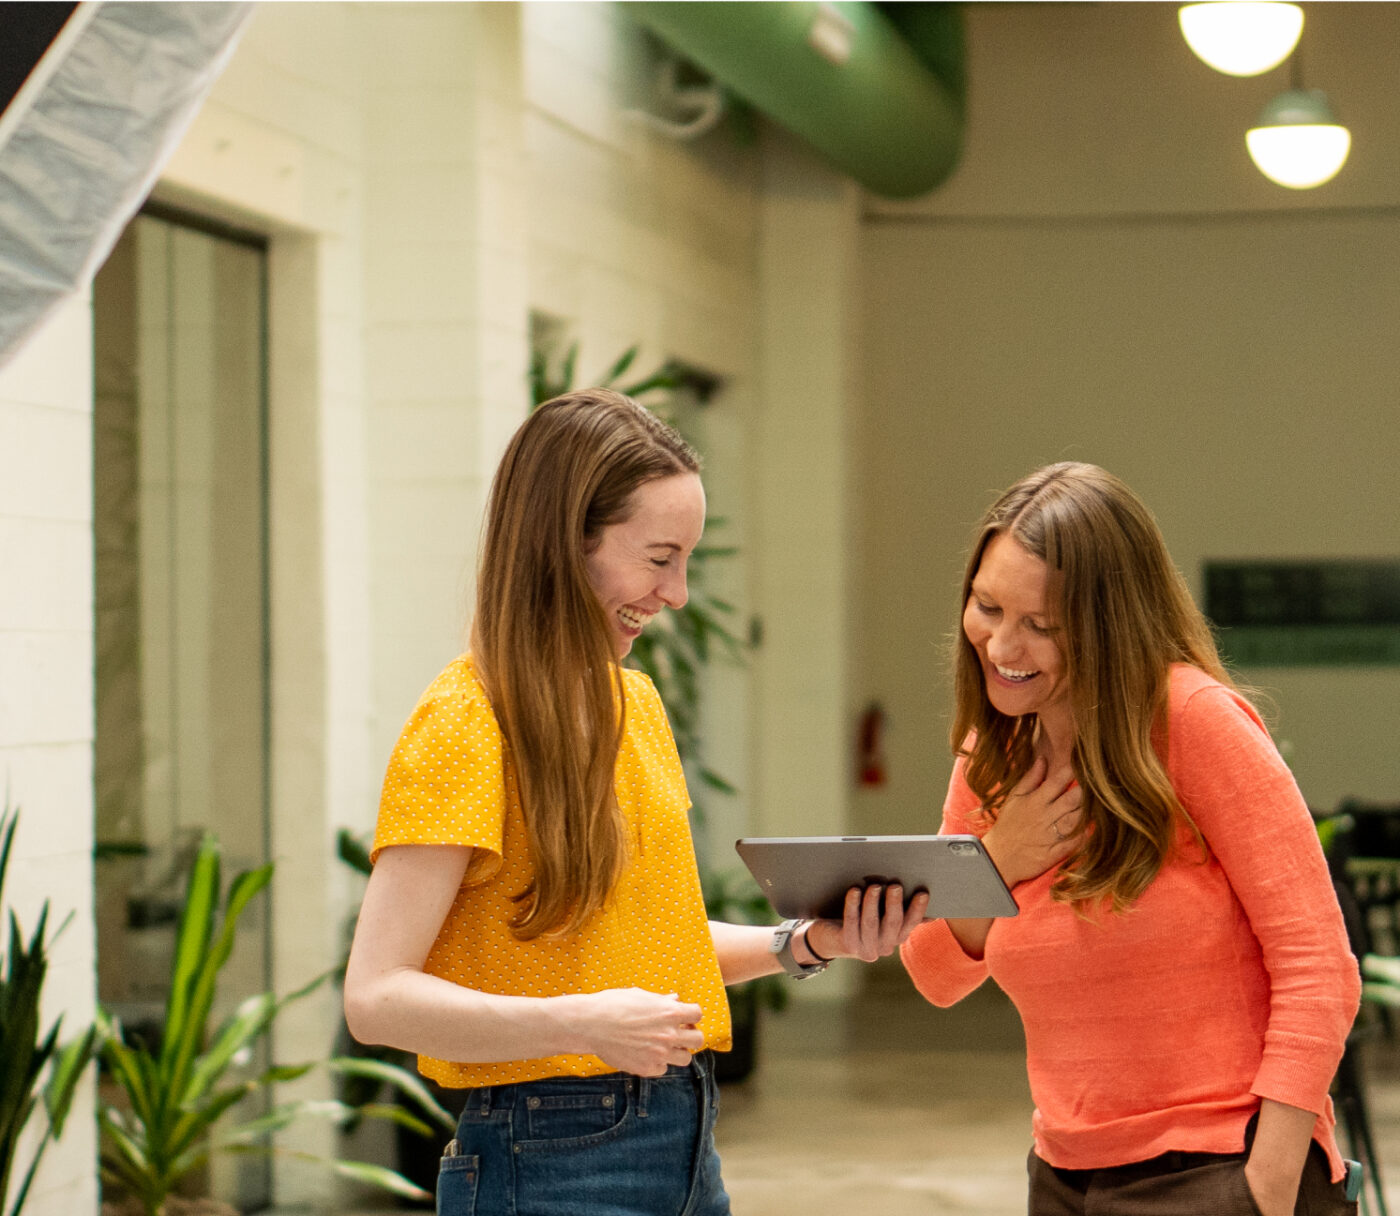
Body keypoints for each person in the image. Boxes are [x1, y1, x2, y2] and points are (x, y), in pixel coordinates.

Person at [344, 387, 928, 1216]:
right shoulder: (465, 724)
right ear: (562, 543)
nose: (678, 593)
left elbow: (657, 949)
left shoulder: (635, 705)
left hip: (682, 1136)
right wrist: (580, 1026)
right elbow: (375, 998)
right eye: (659, 559)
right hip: (546, 1152)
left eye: (687, 561)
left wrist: (806, 941)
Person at [900, 462, 1361, 1216]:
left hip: (1218, 1163)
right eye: (987, 607)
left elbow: (1319, 970)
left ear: (1108, 625)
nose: (1001, 645)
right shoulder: (993, 756)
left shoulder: (1195, 722)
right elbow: (934, 973)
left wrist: (1269, 1185)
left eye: (1041, 626)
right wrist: (999, 861)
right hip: (1064, 1170)